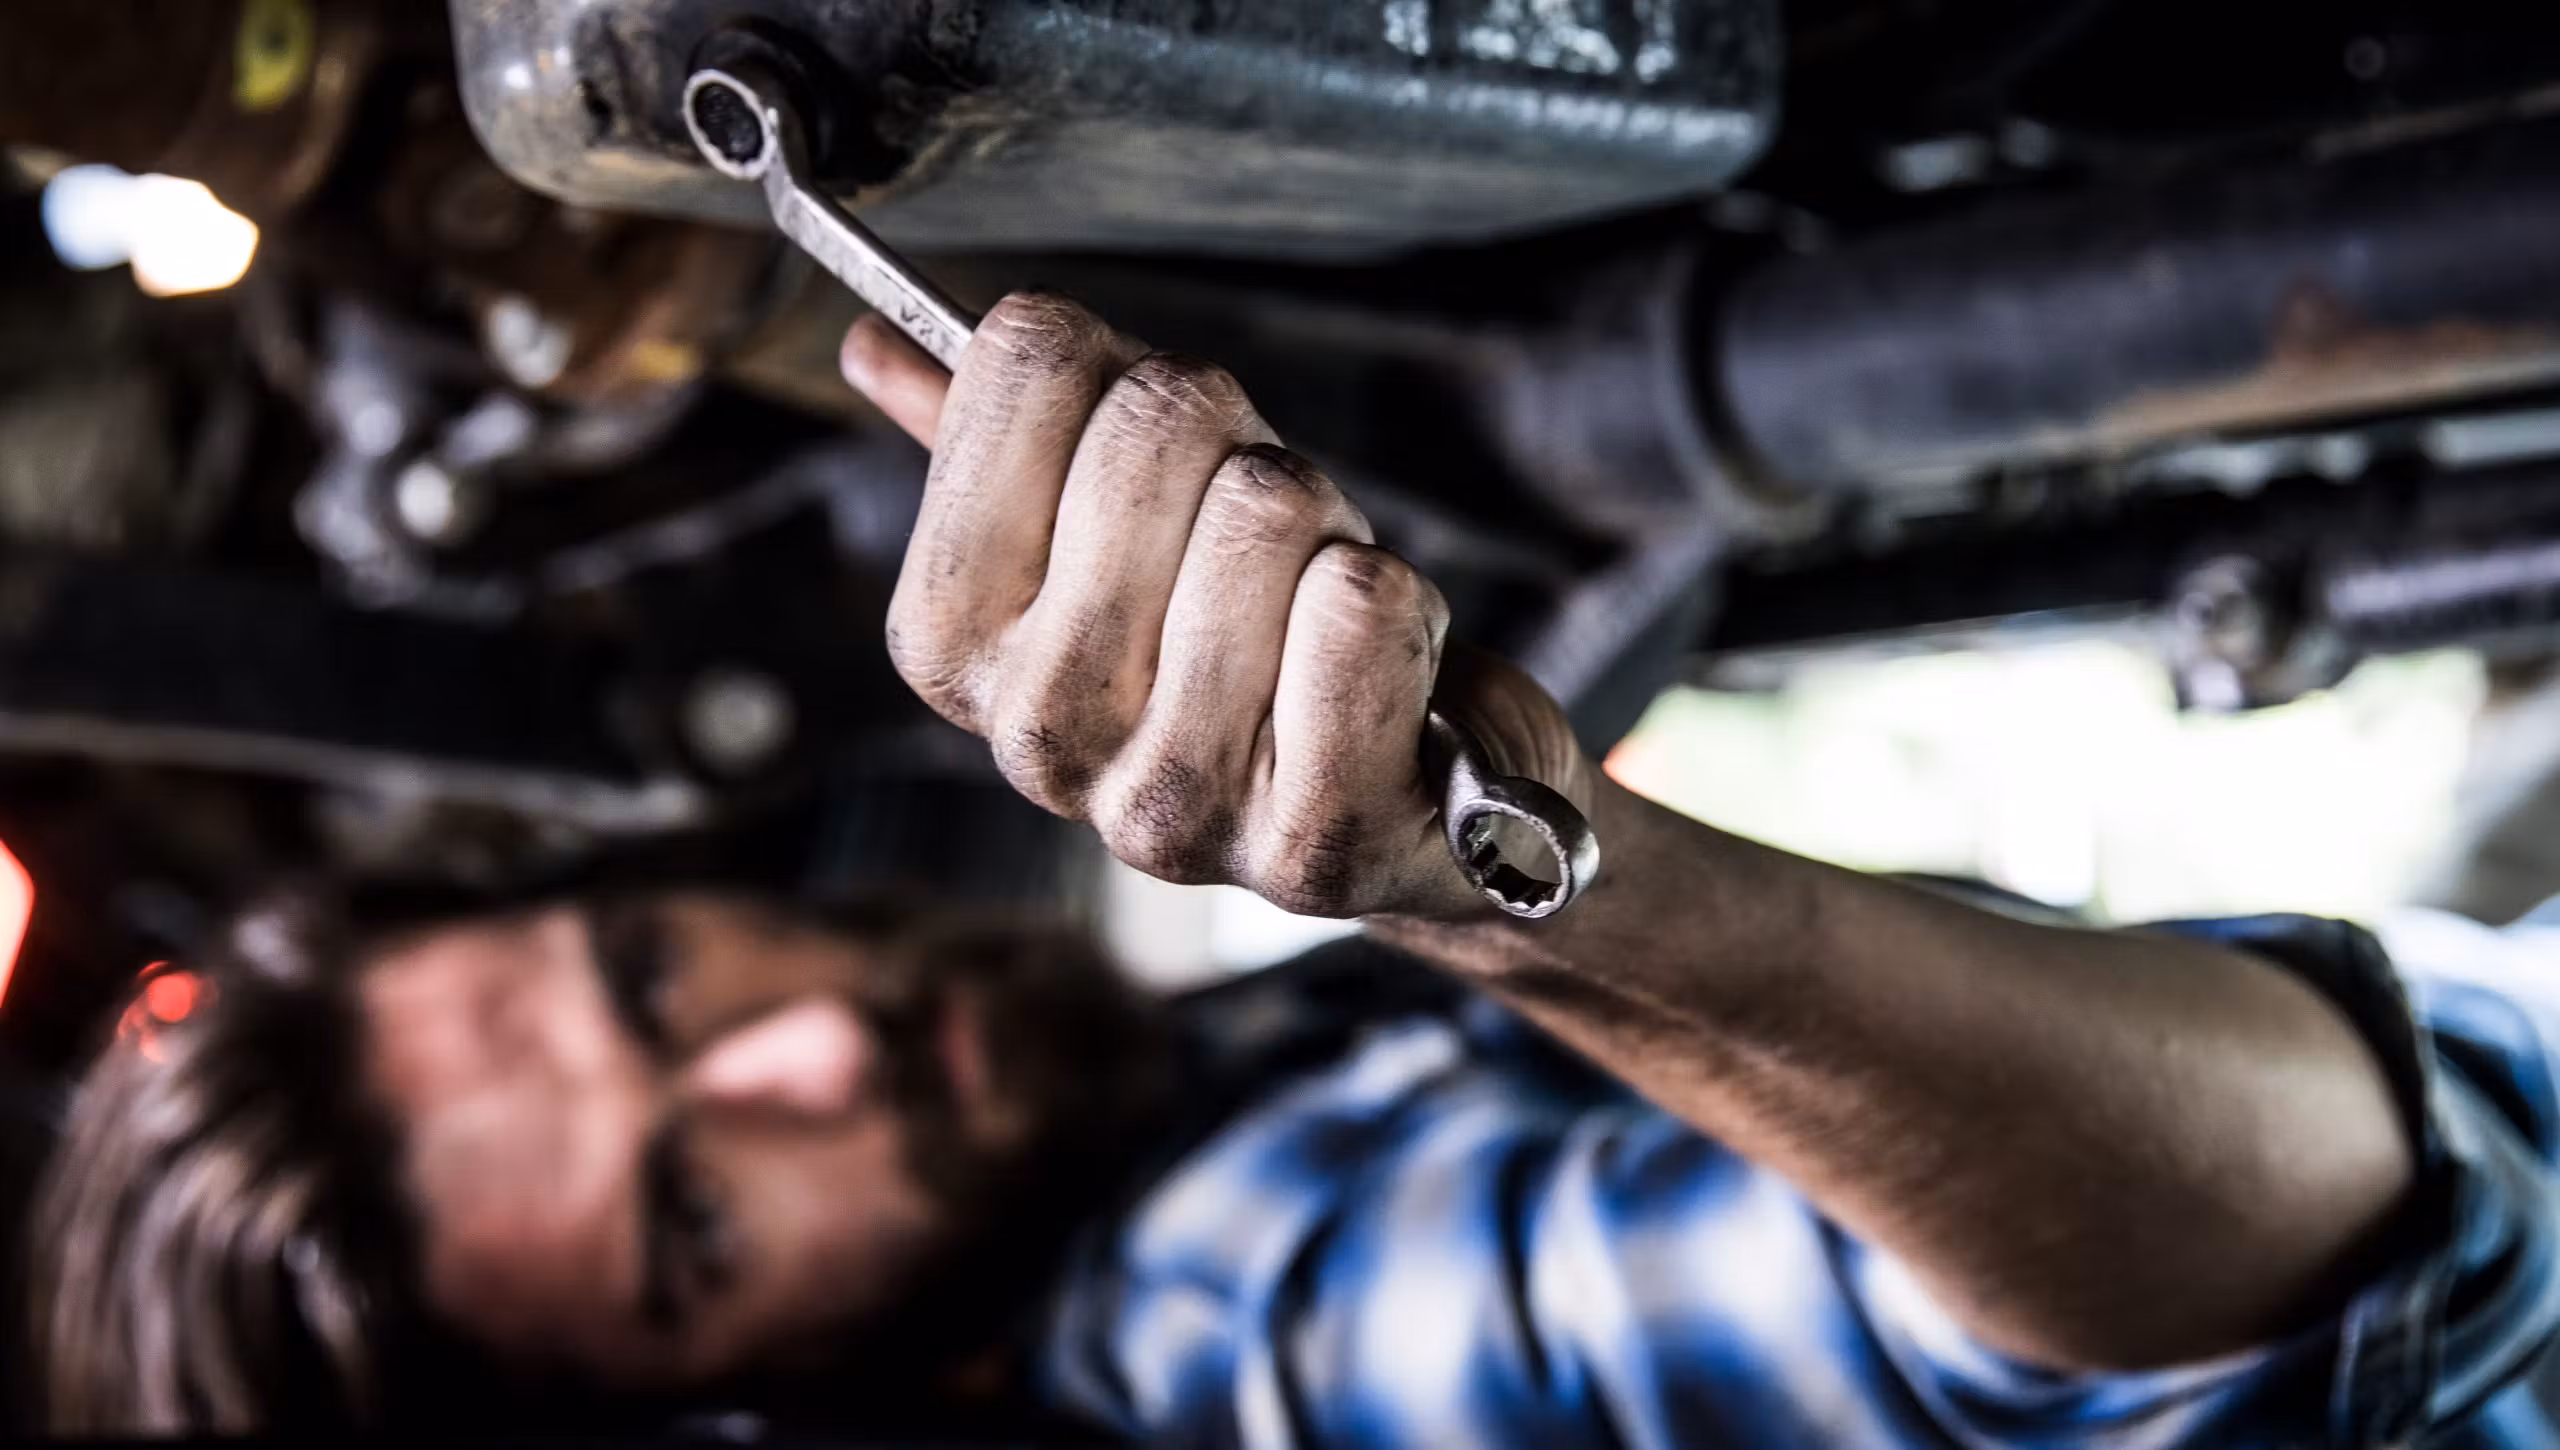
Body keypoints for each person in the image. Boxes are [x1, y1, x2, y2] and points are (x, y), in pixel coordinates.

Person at [26, 293, 2560, 1444]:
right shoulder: (1244, 1329)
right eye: (698, 1221)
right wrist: (1514, 878)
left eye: (656, 966)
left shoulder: (1169, 1087)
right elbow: (2310, 1230)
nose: (813, 1047)